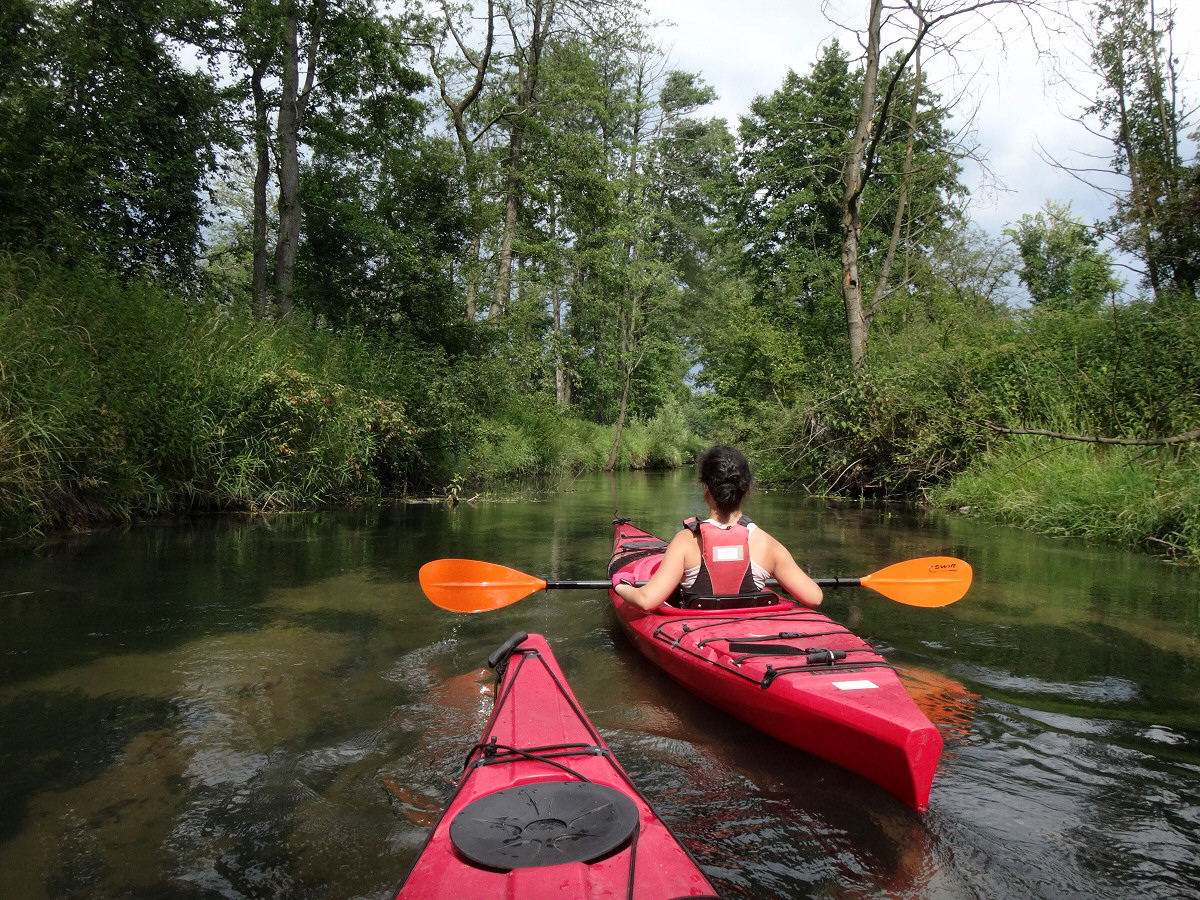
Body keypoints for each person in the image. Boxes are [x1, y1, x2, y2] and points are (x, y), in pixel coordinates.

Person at [612, 446, 823, 611]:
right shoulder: (767, 545)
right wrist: (782, 579)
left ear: (705, 487)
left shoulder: (687, 542)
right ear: (746, 487)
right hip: (750, 631)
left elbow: (647, 601)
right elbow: (814, 597)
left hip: (698, 634)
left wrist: (622, 585)